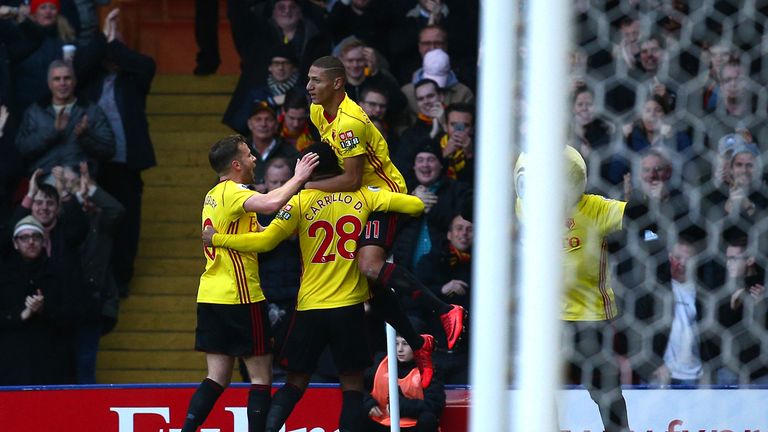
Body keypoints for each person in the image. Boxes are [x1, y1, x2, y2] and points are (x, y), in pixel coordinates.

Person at [203, 142, 432, 432]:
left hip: (309, 307)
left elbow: (264, 242)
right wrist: (380, 201)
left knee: (295, 383)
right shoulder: (364, 196)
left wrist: (219, 239)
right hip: (349, 307)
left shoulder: (299, 202)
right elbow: (415, 205)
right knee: (351, 386)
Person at [304, 56, 465, 353]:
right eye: (309, 79)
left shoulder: (351, 122)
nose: (309, 86)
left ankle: (445, 311)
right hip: (358, 197)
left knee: (370, 266)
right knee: (368, 286)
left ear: (338, 83)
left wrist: (307, 186)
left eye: (316, 80)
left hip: (382, 193)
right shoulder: (317, 111)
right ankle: (419, 344)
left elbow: (351, 178)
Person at [179, 135, 318, 432]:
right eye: (249, 154)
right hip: (240, 296)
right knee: (261, 378)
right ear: (236, 164)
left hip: (210, 294)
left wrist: (292, 220)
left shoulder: (213, 195)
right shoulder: (234, 192)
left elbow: (263, 234)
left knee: (217, 378)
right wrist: (300, 178)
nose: (255, 158)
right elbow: (271, 202)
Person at [514, 146, 630, 431]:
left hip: (591, 318)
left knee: (604, 391)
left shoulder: (596, 208)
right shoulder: (525, 207)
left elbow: (638, 216)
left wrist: (641, 200)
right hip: (547, 318)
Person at [79, 8, 156, 298]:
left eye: (118, 45)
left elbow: (144, 64)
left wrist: (112, 42)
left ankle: (122, 279)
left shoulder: (134, 79)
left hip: (126, 164)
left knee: (127, 224)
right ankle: (99, 281)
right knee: (95, 224)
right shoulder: (89, 79)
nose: (113, 51)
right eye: (109, 45)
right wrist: (103, 39)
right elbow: (80, 64)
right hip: (94, 165)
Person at [0, 215, 77, 385]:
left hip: (51, 364)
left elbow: (71, 315)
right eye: (24, 237)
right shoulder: (4, 275)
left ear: (44, 241)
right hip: (10, 364)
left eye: (36, 237)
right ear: (15, 243)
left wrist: (44, 310)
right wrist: (21, 316)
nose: (31, 242)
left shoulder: (59, 273)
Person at [15, 59, 115, 176]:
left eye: (67, 78)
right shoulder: (35, 111)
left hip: (79, 183)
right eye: (57, 79)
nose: (62, 83)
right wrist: (53, 131)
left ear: (74, 81)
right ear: (49, 83)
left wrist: (85, 136)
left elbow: (109, 151)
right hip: (44, 182)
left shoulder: (91, 110)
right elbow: (22, 150)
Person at [414, 214, 473, 384]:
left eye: (470, 229)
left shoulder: (484, 263)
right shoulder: (430, 262)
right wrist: (441, 290)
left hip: (466, 356)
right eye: (459, 228)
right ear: (449, 234)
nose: (464, 233)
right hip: (435, 352)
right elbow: (412, 297)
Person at [363, 333, 445, 432]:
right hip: (380, 421)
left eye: (405, 344)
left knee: (428, 418)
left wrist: (400, 406)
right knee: (357, 411)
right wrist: (368, 403)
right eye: (396, 343)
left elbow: (435, 405)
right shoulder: (380, 361)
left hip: (413, 425)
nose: (399, 349)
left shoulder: (430, 369)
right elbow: (358, 386)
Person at [244, 102, 300, 193]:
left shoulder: (291, 154)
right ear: (250, 124)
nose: (263, 124)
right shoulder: (238, 153)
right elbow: (224, 185)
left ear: (276, 124)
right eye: (258, 119)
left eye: (268, 119)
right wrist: (249, 189)